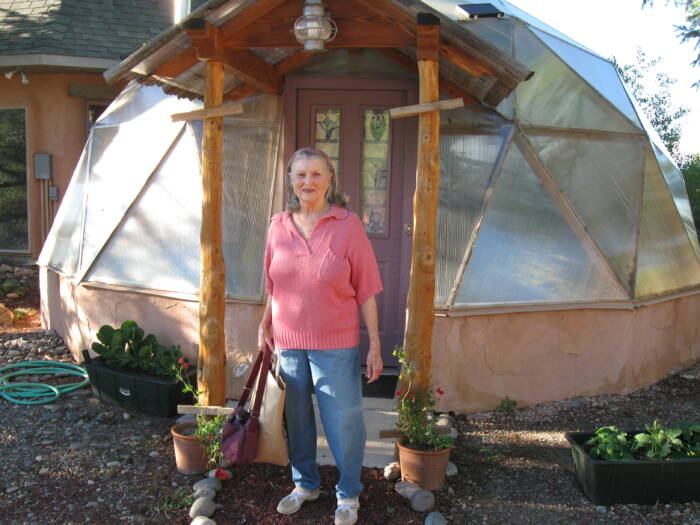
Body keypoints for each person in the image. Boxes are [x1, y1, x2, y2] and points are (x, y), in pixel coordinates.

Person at [258, 147, 383, 525]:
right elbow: (272, 282)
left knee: (343, 419)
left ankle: (347, 493)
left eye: (316, 174)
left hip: (337, 343)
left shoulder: (348, 225)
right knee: (296, 418)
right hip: (288, 340)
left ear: (330, 180)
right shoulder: (278, 225)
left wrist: (374, 343)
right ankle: (305, 484)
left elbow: (367, 287)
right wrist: (265, 321)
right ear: (291, 181)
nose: (308, 182)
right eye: (300, 175)